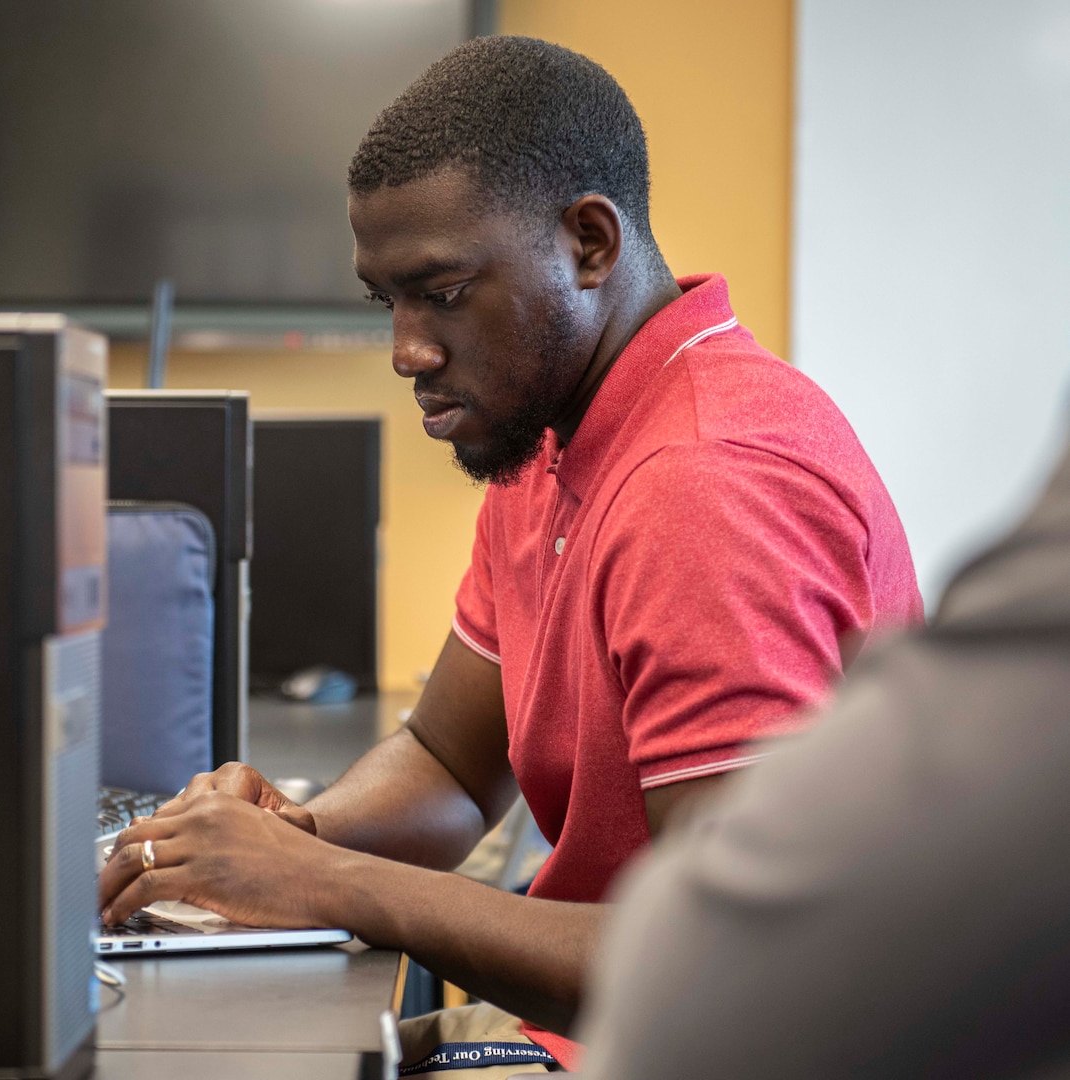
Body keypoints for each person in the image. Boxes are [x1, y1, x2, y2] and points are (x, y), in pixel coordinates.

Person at [98, 35, 922, 1072]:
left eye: (440, 292)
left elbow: (737, 961)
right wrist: (282, 847)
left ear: (588, 242)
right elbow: (449, 765)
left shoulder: (704, 481)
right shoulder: (549, 433)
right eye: (385, 300)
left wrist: (334, 886)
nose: (405, 348)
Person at [575, 430, 1070, 1080]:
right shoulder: (547, 455)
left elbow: (705, 989)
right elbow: (439, 753)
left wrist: (406, 901)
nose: (410, 351)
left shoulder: (701, 477)